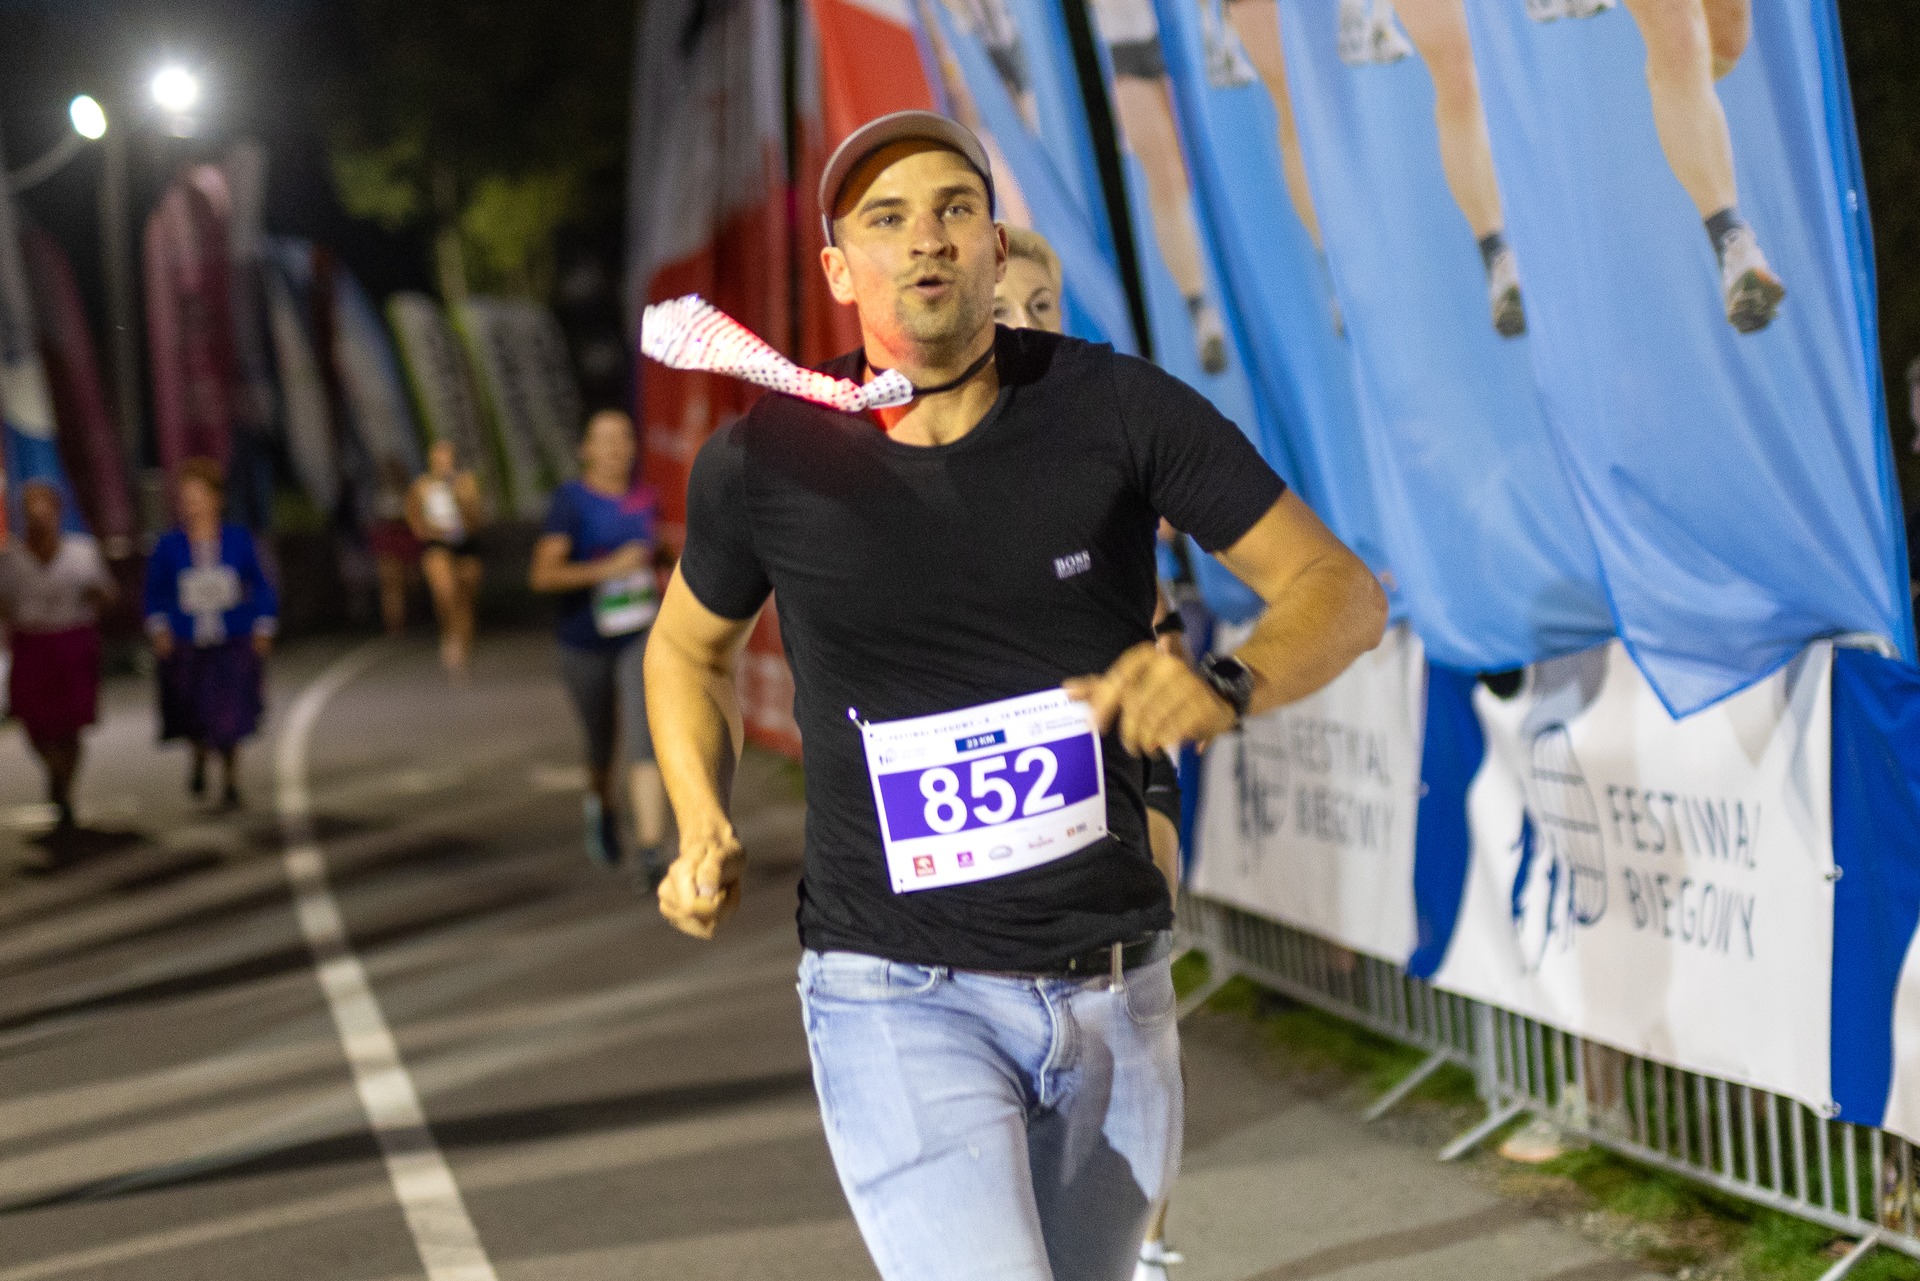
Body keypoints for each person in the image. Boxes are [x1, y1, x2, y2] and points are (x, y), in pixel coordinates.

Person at [645, 111, 1387, 1281]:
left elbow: (1339, 590)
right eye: (886, 220)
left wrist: (1226, 684)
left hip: (1111, 987)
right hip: (896, 989)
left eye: (955, 209)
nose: (925, 239)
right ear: (839, 270)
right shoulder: (768, 461)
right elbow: (689, 652)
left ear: (996, 247)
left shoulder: (1115, 410)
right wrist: (701, 818)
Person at [995, 229, 1192, 1281]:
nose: (1026, 326)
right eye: (1005, 308)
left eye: (1042, 307)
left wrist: (1169, 657)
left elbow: (1154, 594)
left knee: (1141, 972)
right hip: (1000, 791)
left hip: (1121, 754)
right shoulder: (931, 449)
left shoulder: (1106, 426)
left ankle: (1145, 1242)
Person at [529, 409, 668, 879]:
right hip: (583, 641)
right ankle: (602, 804)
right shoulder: (571, 502)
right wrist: (608, 570)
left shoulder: (647, 499)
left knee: (645, 734)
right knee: (600, 742)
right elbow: (542, 575)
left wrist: (663, 558)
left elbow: (660, 551)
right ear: (585, 450)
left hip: (639, 634)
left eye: (623, 437)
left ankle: (650, 852)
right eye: (603, 439)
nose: (614, 447)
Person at [1087, 0, 1233, 374]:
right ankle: (1200, 311)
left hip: (1187, 28)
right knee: (1165, 176)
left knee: (1203, 163)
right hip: (1122, 43)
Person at [143, 458, 278, 810]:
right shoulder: (169, 545)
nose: (193, 505)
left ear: (216, 499)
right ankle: (199, 754)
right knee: (192, 710)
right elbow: (154, 592)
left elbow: (261, 584)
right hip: (188, 643)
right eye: (187, 498)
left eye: (199, 497)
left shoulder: (238, 539)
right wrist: (159, 628)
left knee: (231, 712)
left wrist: (263, 625)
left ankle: (231, 779)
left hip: (230, 640)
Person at [0, 480, 117, 837]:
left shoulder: (80, 551)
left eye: (45, 512)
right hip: (31, 643)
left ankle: (63, 787)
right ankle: (55, 773)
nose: (40, 520)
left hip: (71, 640)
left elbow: (107, 594)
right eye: (32, 513)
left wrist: (95, 596)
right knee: (35, 721)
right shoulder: (11, 560)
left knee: (71, 722)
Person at [407, 439, 486, 675]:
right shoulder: (422, 485)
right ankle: (449, 634)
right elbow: (412, 512)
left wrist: (460, 497)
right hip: (437, 545)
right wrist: (423, 530)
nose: (443, 463)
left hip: (465, 544)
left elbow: (476, 518)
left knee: (465, 597)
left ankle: (464, 646)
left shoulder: (466, 482)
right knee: (445, 592)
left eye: (447, 459)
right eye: (438, 459)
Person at [368, 456, 421, 639]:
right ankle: (394, 625)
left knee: (411, 580)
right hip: (388, 539)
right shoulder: (376, 490)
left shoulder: (408, 490)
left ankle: (410, 616)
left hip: (405, 536)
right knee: (391, 585)